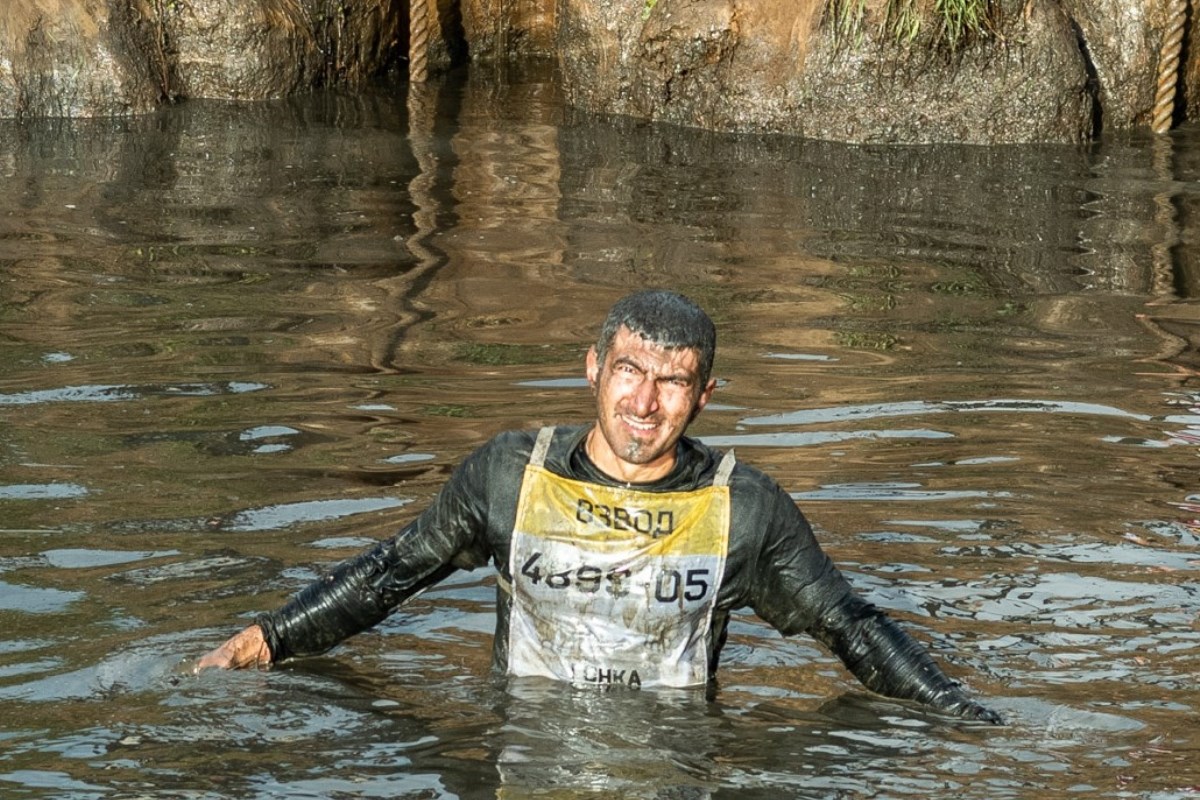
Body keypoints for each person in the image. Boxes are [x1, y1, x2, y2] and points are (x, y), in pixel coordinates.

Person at [197, 290, 1001, 723]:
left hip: (677, 757)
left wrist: (956, 713)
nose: (645, 402)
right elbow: (390, 575)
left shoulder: (743, 510)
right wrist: (267, 641)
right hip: (518, 740)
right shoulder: (510, 475)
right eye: (629, 371)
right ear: (593, 368)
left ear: (704, 395)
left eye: (674, 381)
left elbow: (850, 626)